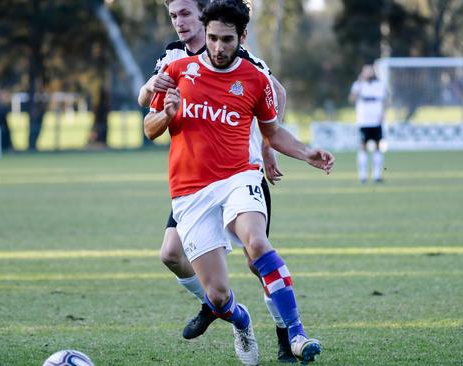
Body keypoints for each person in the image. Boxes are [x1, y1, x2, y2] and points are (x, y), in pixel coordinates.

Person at [144, 1, 333, 364]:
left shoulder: (254, 78)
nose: (217, 47)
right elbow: (149, 128)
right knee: (216, 296)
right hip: (190, 192)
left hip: (239, 176)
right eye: (212, 38)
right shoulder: (177, 68)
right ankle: (240, 320)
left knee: (257, 244)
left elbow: (274, 132)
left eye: (226, 39)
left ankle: (296, 334)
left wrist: (306, 152)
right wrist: (166, 115)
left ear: (242, 37)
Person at [349, 64, 387, 183]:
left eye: (371, 71)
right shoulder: (358, 85)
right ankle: (363, 176)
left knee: (377, 147)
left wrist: (383, 114)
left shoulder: (379, 85)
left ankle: (377, 175)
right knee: (363, 148)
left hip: (376, 122)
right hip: (363, 122)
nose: (369, 74)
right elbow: (352, 99)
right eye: (366, 72)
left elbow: (385, 100)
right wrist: (359, 84)